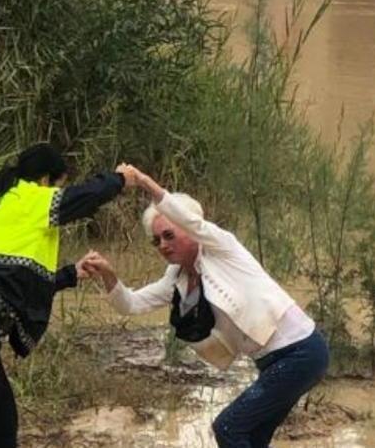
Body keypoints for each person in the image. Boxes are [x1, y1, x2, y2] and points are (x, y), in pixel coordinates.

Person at [80, 165, 329, 448]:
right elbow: (131, 304)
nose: (162, 244)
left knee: (228, 428)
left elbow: (190, 221)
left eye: (169, 235)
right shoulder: (177, 279)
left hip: (301, 351)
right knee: (253, 436)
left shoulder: (222, 248)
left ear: (189, 229)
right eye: (156, 240)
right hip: (271, 362)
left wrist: (145, 183)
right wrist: (108, 274)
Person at [0, 143, 132, 448]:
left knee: (2, 424)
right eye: (58, 185)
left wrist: (70, 274)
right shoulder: (29, 198)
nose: (57, 193)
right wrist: (120, 178)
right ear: (46, 179)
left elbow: (16, 281)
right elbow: (88, 196)